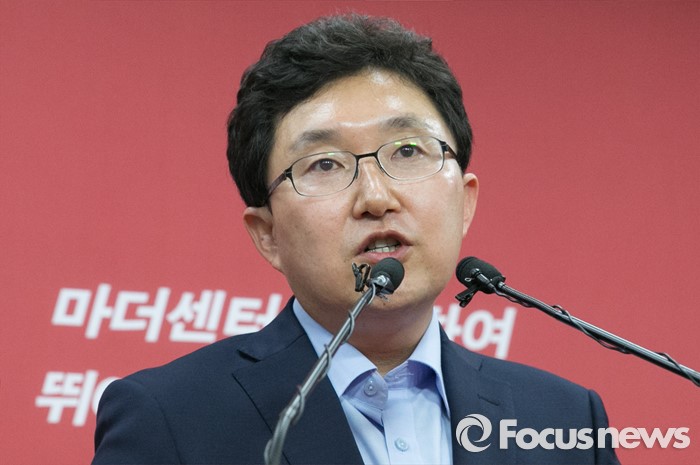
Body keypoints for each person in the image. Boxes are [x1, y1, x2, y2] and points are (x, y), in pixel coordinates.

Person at [92, 14, 620, 465]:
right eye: (324, 164)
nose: (376, 197)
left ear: (465, 201)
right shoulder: (171, 418)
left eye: (408, 151)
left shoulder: (565, 419)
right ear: (267, 234)